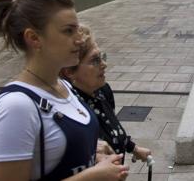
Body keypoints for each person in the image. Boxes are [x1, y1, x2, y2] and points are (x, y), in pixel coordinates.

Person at [0, 0, 128, 181]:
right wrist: (91, 177)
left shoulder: (64, 86)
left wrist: (88, 150)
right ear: (34, 38)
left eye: (77, 29)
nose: (80, 39)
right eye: (69, 31)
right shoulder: (16, 107)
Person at [60, 26, 152, 163]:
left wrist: (134, 148)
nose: (104, 64)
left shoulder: (103, 91)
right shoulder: (69, 111)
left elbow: (112, 129)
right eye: (95, 60)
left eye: (102, 57)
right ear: (69, 72)